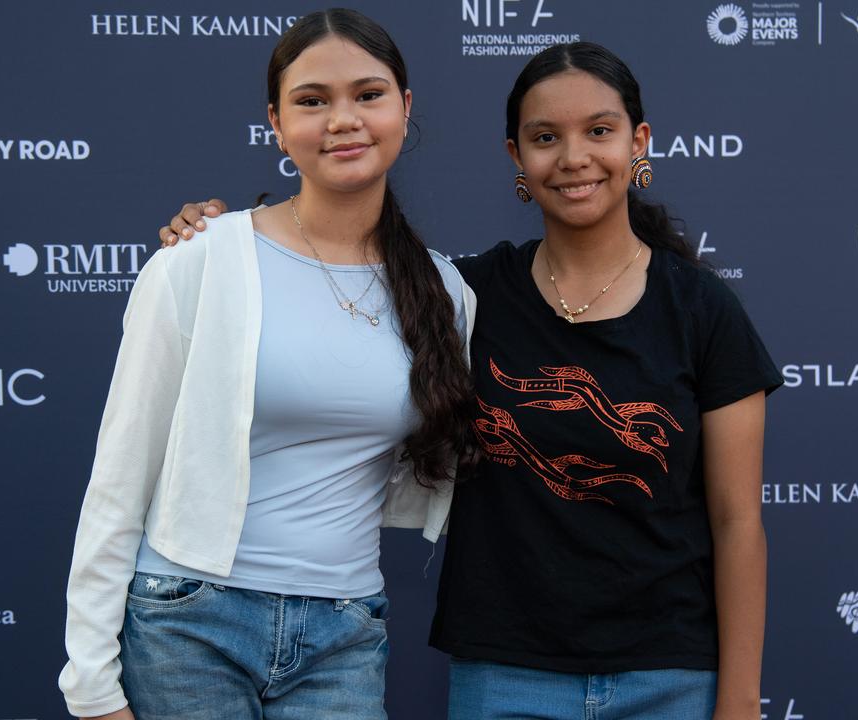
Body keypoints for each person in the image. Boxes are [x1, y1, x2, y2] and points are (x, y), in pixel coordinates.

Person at [165, 42, 780, 720]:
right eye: (546, 137)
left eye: (599, 131)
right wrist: (220, 237)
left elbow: (737, 520)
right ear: (517, 157)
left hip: (668, 675)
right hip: (505, 673)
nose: (573, 157)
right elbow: (331, 277)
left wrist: (740, 701)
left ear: (638, 142)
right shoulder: (462, 297)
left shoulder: (702, 311)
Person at [60, 9, 475, 720]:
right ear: (277, 126)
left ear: (404, 109)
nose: (343, 119)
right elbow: (121, 472)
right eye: (313, 101)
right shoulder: (200, 259)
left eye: (368, 95)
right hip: (189, 621)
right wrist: (91, 683)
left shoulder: (445, 292)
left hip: (345, 630)